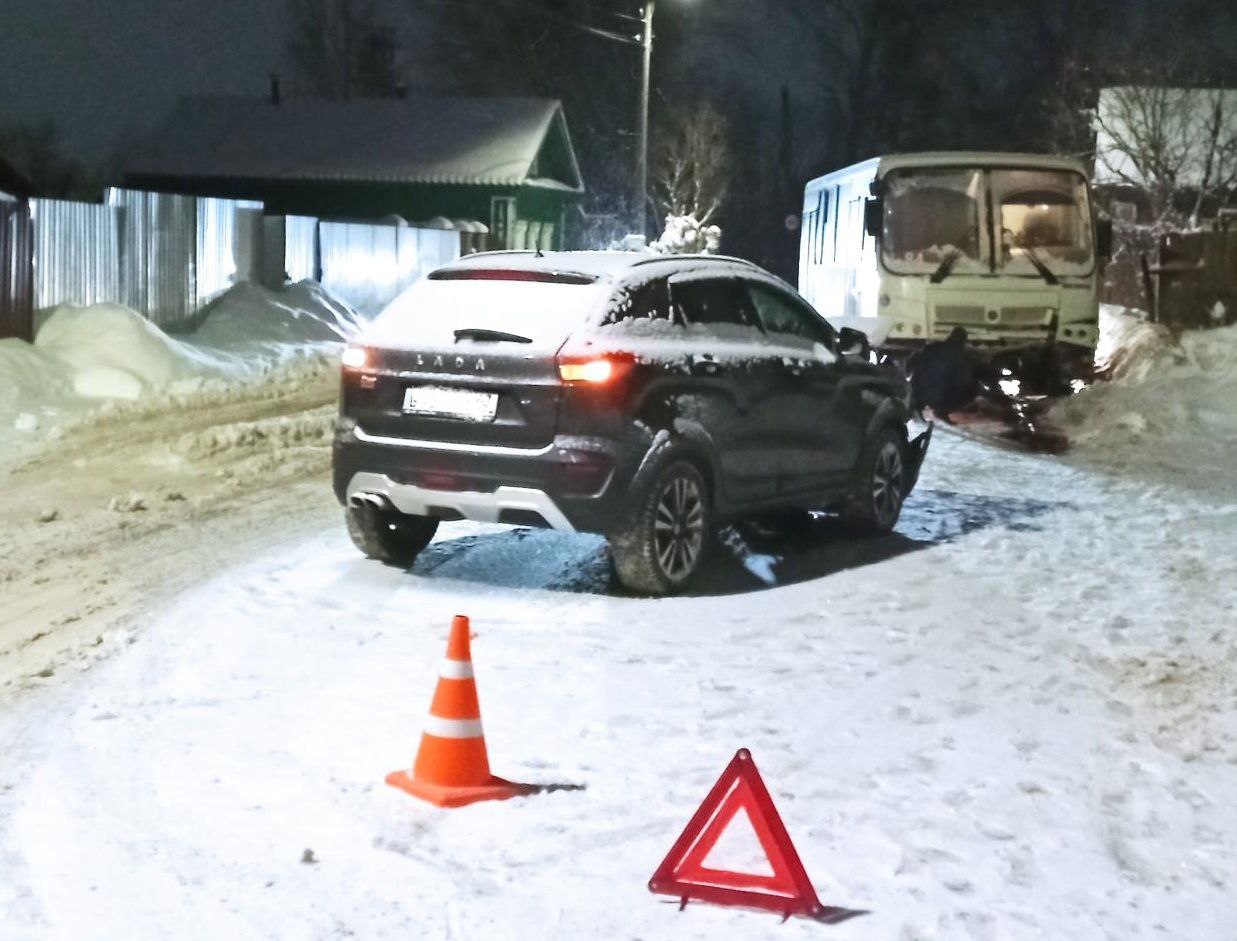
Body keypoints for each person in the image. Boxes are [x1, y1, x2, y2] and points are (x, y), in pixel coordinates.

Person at [908, 327, 993, 422]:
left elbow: (917, 366)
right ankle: (940, 411)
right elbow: (961, 379)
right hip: (938, 396)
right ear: (963, 341)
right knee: (971, 389)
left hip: (920, 392)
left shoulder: (934, 347)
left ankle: (921, 409)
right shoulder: (959, 355)